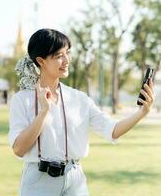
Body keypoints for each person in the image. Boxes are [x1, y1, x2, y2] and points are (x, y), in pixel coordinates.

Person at [8, 28, 155, 196]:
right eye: (58, 56)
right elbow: (19, 149)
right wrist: (43, 112)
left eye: (67, 53)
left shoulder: (79, 99)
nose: (66, 60)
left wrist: (142, 112)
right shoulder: (22, 100)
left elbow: (112, 130)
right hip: (38, 181)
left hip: (75, 180)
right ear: (41, 61)